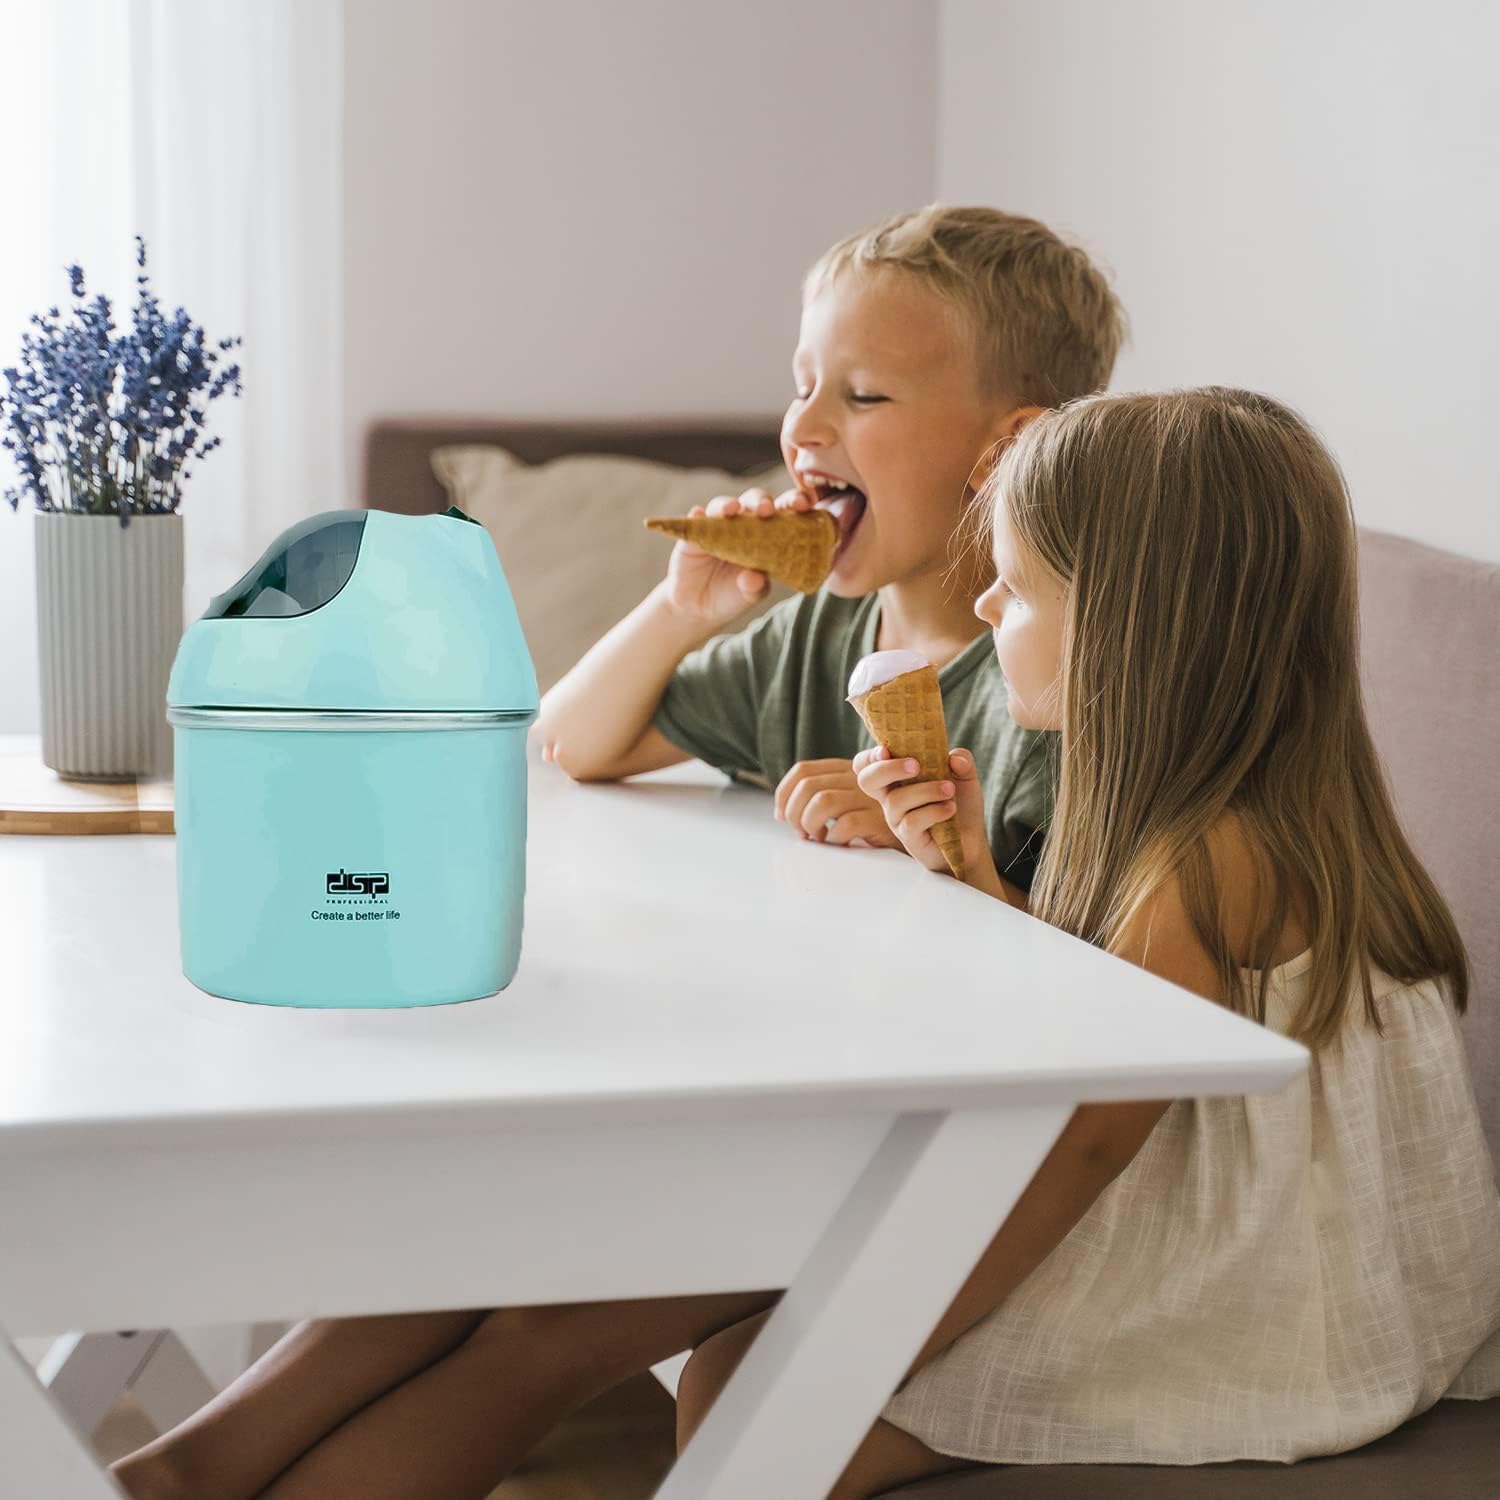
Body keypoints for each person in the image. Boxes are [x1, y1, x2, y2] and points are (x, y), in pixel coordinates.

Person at [846, 387, 1500, 1468]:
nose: (983, 607)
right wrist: (974, 870)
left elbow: (1091, 1142)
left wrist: (882, 1338)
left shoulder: (1204, 863)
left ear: (1127, 629)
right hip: (1245, 1257)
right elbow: (1096, 1006)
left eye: (1015, 586)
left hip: (1241, 1306)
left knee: (752, 1386)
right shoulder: (1229, 814)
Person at [538, 204, 1125, 891]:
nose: (801, 427)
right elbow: (569, 745)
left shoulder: (1064, 690)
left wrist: (930, 851)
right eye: (802, 388)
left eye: (864, 395)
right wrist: (680, 610)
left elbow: (1100, 941)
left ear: (1005, 452)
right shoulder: (806, 641)